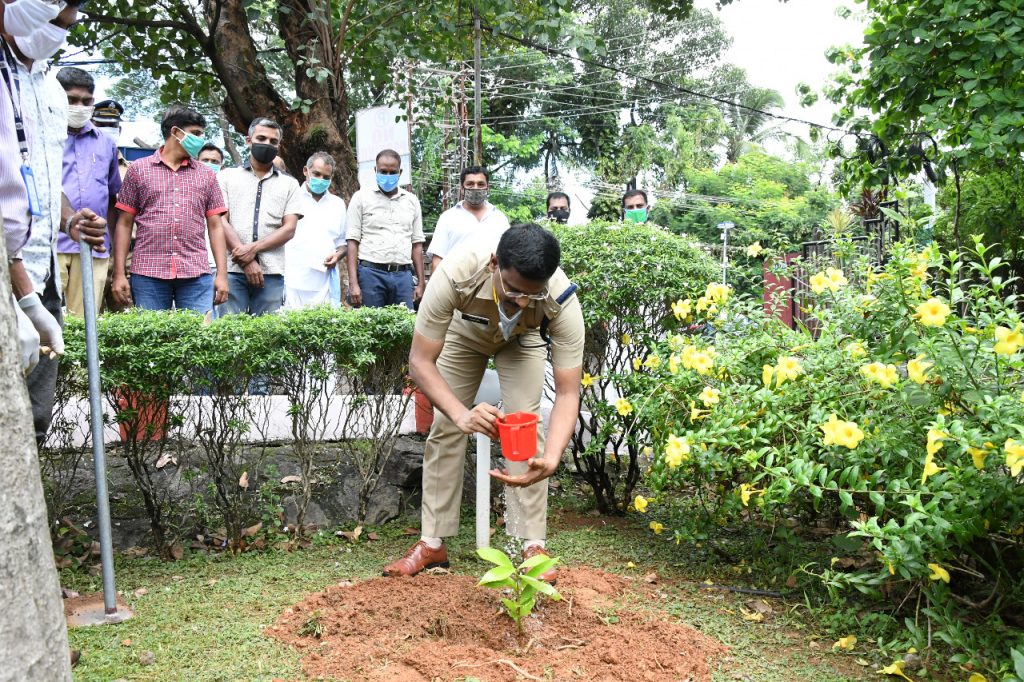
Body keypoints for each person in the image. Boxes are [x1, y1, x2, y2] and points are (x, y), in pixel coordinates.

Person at [383, 223, 585, 582]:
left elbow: (569, 391)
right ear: (494, 263)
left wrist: (553, 457)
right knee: (446, 427)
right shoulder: (456, 274)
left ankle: (531, 546)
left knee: (524, 430)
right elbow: (420, 361)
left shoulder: (559, 297)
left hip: (524, 341)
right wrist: (461, 415)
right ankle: (432, 544)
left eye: (531, 295)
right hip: (467, 333)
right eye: (513, 290)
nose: (521, 301)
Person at [2, 0, 107, 442]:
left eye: (67, 22)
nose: (59, 29)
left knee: (35, 416)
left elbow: (41, 176)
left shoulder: (47, 85)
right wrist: (22, 296)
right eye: (52, 18)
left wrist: (68, 222)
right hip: (11, 272)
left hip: (42, 272)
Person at [111, 105, 229, 313]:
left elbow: (216, 226)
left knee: (200, 338)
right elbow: (124, 223)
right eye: (196, 134)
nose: (201, 140)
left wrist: (221, 275)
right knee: (152, 340)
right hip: (148, 272)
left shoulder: (206, 175)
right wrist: (119, 273)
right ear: (175, 132)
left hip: (196, 272)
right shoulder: (138, 170)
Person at [217, 117, 302, 316]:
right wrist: (246, 260)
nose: (267, 144)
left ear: (279, 146)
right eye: (261, 138)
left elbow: (289, 229)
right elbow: (220, 221)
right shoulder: (226, 177)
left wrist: (252, 250)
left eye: (273, 141)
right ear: (248, 140)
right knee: (228, 335)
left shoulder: (290, 184)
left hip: (271, 273)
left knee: (267, 338)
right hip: (232, 270)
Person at [54, 67, 121, 318]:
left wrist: (111, 249)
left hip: (93, 248)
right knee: (45, 321)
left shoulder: (106, 143)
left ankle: (79, 361)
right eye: (72, 100)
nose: (80, 106)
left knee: (85, 324)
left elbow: (114, 198)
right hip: (52, 245)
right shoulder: (43, 137)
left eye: (86, 101)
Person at [346, 149, 425, 309]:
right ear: (375, 170)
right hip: (370, 274)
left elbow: (417, 245)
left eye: (392, 172)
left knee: (404, 328)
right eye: (383, 171)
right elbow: (352, 242)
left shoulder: (411, 201)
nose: (387, 176)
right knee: (370, 328)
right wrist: (353, 283)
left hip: (403, 276)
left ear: (400, 172)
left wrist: (421, 283)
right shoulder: (361, 198)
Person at [285, 151, 347, 308]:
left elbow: (343, 243)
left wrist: (338, 255)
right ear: (306, 171)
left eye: (326, 177)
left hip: (324, 283)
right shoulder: (291, 197)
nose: (321, 180)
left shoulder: (337, 204)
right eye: (316, 174)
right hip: (292, 281)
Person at [427, 165, 509, 271]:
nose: (475, 188)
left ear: (487, 188)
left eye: (480, 184)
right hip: (456, 284)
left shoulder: (500, 219)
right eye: (470, 184)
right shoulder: (447, 218)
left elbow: (508, 257)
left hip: (491, 284)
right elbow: (437, 260)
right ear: (462, 189)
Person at [90, 99, 128, 178]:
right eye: (101, 125)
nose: (107, 129)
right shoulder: (75, 165)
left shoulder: (131, 171)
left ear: (119, 131)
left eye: (112, 125)